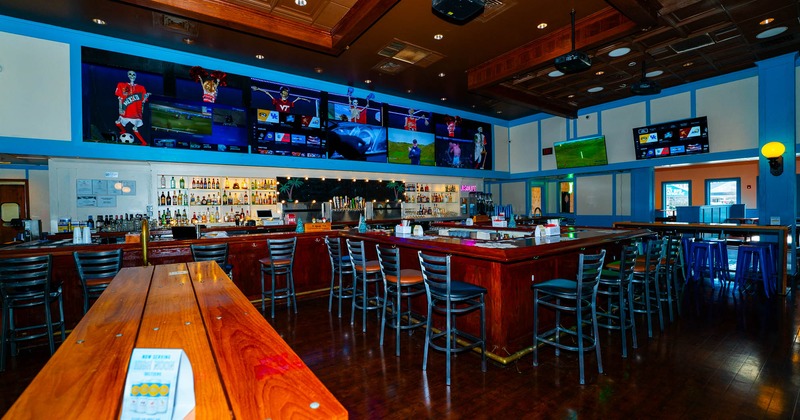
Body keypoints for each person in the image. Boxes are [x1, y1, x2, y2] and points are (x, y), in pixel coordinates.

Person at [114, 70, 150, 146]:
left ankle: (143, 142)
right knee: (117, 122)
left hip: (136, 114)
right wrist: (120, 109)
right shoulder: (122, 85)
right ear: (127, 75)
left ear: (136, 76)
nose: (132, 76)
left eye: (134, 74)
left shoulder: (141, 88)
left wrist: (145, 98)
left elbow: (143, 102)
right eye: (130, 74)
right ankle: (123, 131)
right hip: (125, 112)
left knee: (135, 128)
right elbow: (120, 98)